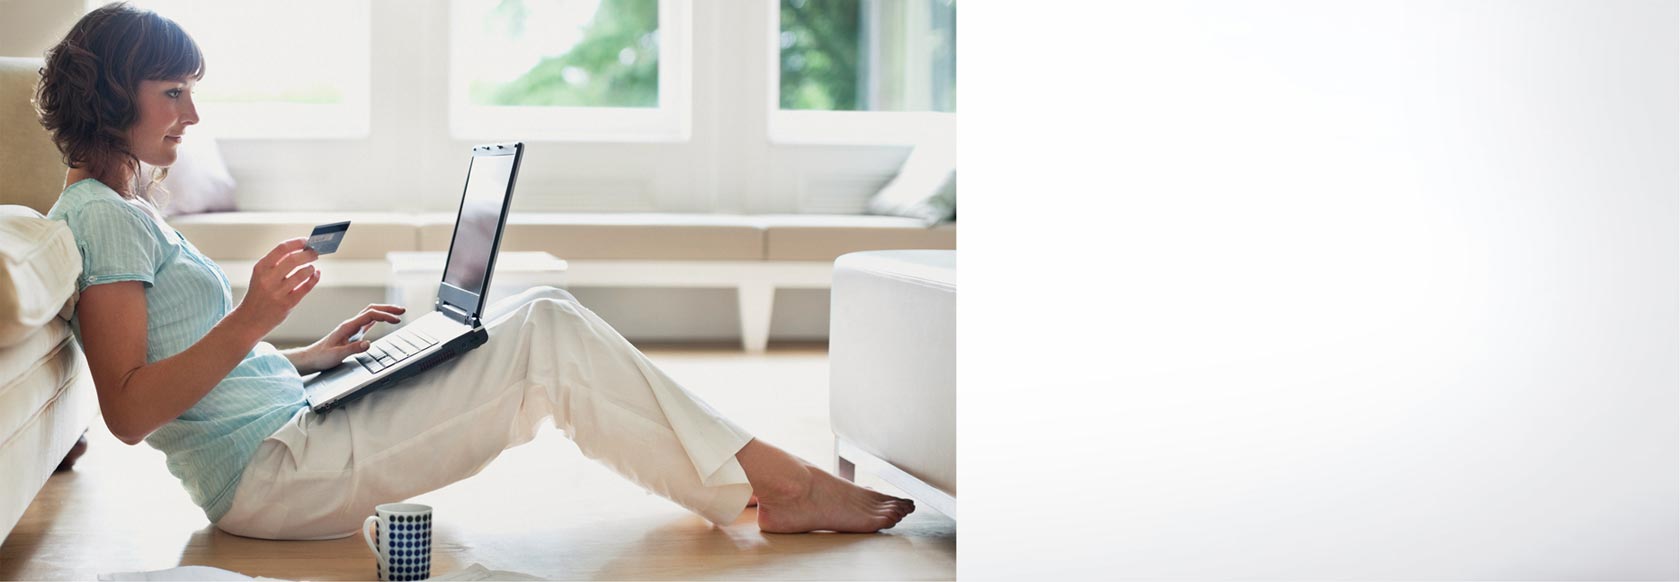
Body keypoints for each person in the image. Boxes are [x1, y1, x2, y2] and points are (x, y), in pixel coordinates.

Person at [34, 2, 913, 540]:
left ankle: (756, 485)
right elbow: (130, 411)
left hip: (289, 428)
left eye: (193, 90)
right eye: (174, 91)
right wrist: (254, 319)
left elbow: (187, 373)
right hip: (272, 478)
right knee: (549, 330)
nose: (193, 113)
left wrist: (306, 357)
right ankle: (781, 485)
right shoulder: (104, 220)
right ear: (116, 92)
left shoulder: (119, 211)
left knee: (541, 331)